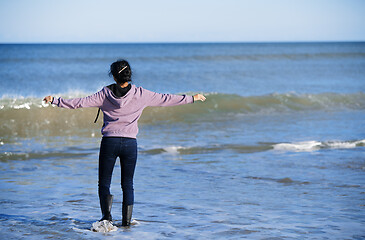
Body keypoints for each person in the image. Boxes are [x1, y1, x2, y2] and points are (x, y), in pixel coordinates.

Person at [43, 59, 206, 227]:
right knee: (127, 184)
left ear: (113, 76)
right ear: (130, 75)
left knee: (104, 183)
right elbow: (166, 99)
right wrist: (192, 98)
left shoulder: (104, 94)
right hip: (130, 144)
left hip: (109, 143)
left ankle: (106, 219)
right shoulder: (141, 94)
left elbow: (79, 103)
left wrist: (55, 100)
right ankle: (127, 223)